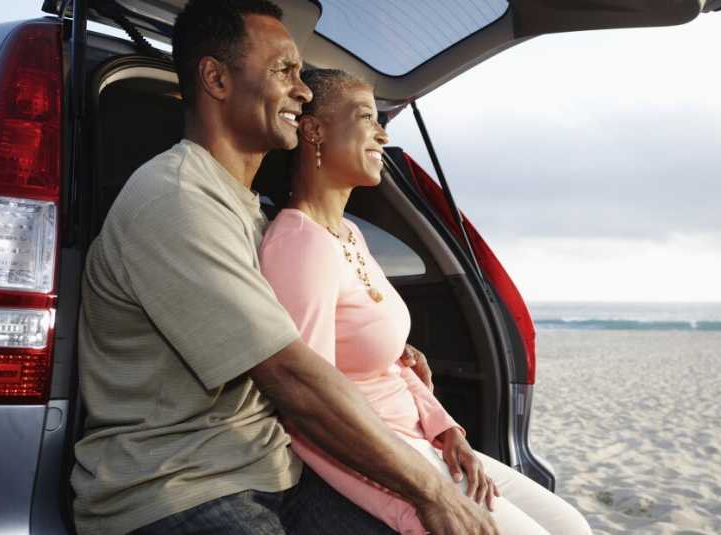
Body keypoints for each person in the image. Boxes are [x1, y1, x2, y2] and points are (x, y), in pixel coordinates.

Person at [70, 1, 498, 534]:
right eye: (283, 70)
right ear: (216, 78)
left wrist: (389, 353)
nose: (302, 90)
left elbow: (305, 336)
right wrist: (432, 491)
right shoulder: (176, 199)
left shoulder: (251, 211)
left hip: (273, 468)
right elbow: (292, 377)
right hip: (182, 486)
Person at [259, 68, 592, 535]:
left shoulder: (348, 233)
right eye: (365, 117)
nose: (382, 131)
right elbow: (309, 413)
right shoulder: (299, 245)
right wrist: (413, 506)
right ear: (314, 130)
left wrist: (446, 428)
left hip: (422, 444)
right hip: (385, 459)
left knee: (572, 526)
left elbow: (393, 364)